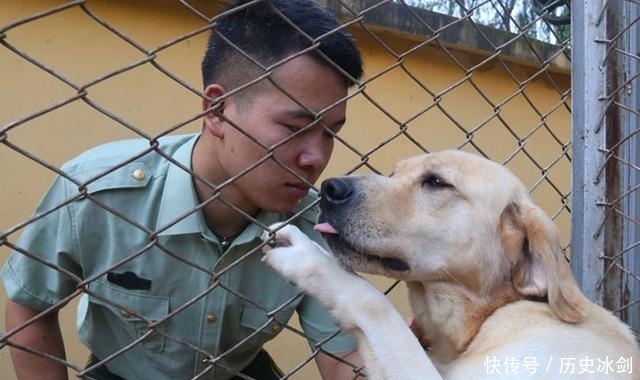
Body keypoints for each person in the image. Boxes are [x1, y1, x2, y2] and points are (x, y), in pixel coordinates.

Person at [1, 0, 365, 379]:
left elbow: (341, 361)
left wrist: (403, 350)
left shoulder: (314, 226)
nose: (316, 158)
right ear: (218, 109)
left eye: (331, 133)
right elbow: (30, 307)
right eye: (295, 128)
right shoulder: (97, 191)